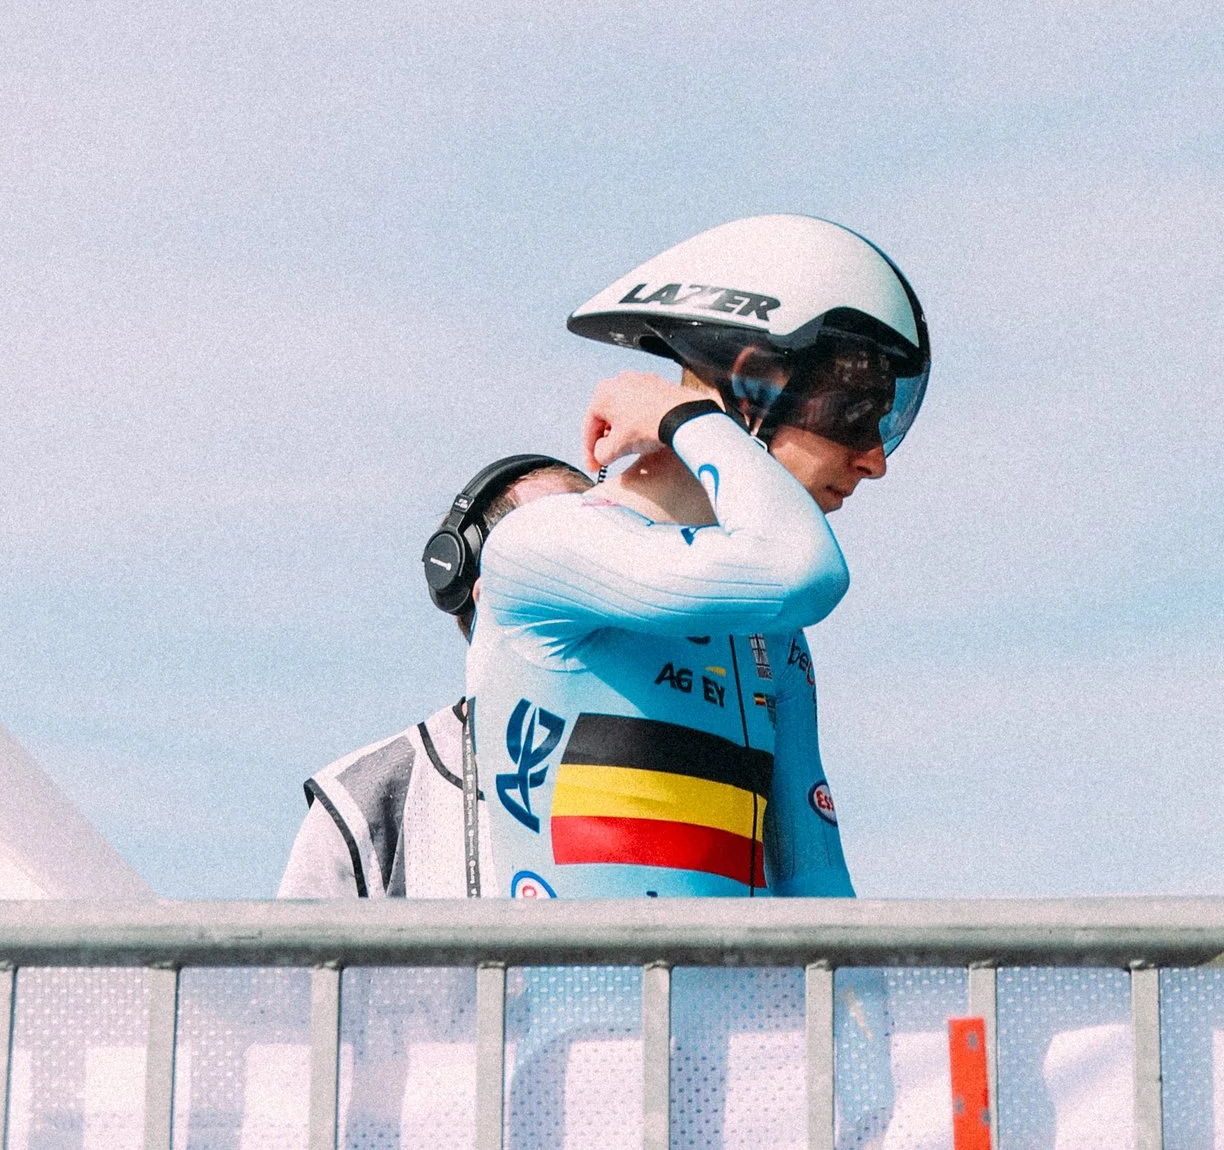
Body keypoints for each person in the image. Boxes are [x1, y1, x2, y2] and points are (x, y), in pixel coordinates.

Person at [468, 215, 928, 898]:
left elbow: (820, 885)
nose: (874, 459)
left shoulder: (773, 635)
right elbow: (804, 570)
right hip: (587, 1008)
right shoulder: (541, 547)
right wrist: (685, 417)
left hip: (742, 1009)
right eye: (854, 416)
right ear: (754, 385)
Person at [278, 452, 586, 897]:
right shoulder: (363, 800)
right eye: (563, 557)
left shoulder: (694, 759)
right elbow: (300, 966)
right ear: (485, 586)